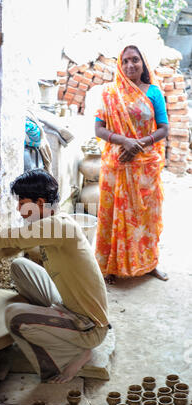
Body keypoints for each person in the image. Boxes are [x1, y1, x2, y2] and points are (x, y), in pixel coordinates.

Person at [0, 169, 110, 384]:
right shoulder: (53, 222)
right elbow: (7, 247)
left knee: (14, 316)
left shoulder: (58, 226)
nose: (19, 210)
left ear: (39, 202)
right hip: (70, 305)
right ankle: (55, 329)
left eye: (22, 203)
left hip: (89, 326)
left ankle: (74, 355)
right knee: (20, 266)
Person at [95, 45, 169, 284]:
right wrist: (124, 141)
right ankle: (111, 267)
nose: (130, 65)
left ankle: (149, 264)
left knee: (146, 217)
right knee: (114, 215)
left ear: (143, 63)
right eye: (125, 61)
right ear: (120, 63)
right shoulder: (110, 93)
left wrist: (139, 144)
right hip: (116, 164)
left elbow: (164, 129)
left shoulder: (154, 93)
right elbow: (98, 129)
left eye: (135, 60)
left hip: (145, 166)